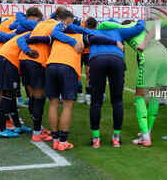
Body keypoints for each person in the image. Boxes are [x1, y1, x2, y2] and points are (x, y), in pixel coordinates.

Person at [43, 13, 124, 151]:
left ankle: (55, 138)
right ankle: (63, 141)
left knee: (53, 104)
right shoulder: (83, 36)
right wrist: (114, 42)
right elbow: (98, 38)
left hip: (51, 66)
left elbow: (42, 37)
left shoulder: (58, 33)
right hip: (68, 67)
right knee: (67, 106)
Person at [63, 19, 145, 148]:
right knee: (117, 101)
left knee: (96, 101)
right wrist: (139, 20)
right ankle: (116, 139)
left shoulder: (92, 31)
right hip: (116, 60)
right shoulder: (119, 30)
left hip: (97, 60)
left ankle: (96, 139)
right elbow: (140, 27)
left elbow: (69, 27)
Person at [97, 18, 167, 147]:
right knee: (155, 96)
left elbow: (103, 25)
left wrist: (117, 24)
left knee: (140, 96)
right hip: (165, 57)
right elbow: (163, 21)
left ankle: (146, 138)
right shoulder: (145, 26)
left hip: (149, 58)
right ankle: (148, 132)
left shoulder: (124, 28)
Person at [17, 7, 82, 142]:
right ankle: (37, 132)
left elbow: (21, 39)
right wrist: (73, 41)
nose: (68, 26)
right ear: (63, 20)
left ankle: (37, 128)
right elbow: (56, 33)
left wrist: (27, 50)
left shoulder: (41, 24)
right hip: (38, 61)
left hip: (24, 59)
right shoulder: (57, 25)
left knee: (33, 96)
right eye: (68, 23)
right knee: (39, 97)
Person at [0, 8, 43, 138]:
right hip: (7, 62)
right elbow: (20, 41)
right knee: (7, 95)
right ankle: (1, 128)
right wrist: (28, 51)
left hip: (2, 59)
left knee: (11, 94)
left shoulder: (21, 32)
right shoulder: (30, 33)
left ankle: (17, 125)